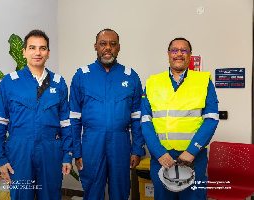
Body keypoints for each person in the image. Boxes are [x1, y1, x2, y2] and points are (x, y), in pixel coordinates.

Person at [0, 29, 72, 200]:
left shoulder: (58, 83)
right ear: (24, 52)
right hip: (20, 153)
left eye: (42, 48)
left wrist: (67, 155)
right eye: (32, 48)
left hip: (50, 152)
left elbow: (65, 123)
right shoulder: (9, 82)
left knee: (51, 196)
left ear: (48, 53)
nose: (37, 52)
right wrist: (1, 159)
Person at [69, 28, 145, 200]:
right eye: (103, 44)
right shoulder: (82, 76)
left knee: (120, 189)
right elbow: (74, 118)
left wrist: (137, 148)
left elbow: (137, 117)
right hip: (91, 144)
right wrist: (77, 151)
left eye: (112, 44)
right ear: (95, 46)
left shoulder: (131, 76)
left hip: (121, 143)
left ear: (119, 47)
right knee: (92, 189)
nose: (108, 48)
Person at [141, 37, 219, 200]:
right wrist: (159, 152)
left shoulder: (203, 81)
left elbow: (211, 119)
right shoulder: (153, 82)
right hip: (162, 157)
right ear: (168, 54)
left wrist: (191, 152)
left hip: (193, 157)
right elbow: (145, 121)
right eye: (174, 50)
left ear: (190, 55)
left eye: (184, 50)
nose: (179, 54)